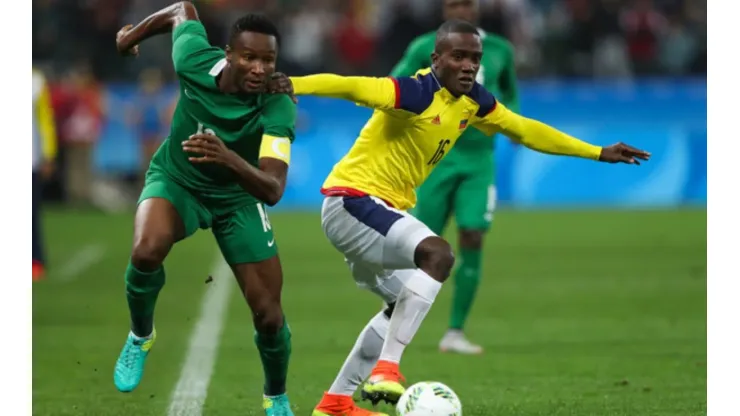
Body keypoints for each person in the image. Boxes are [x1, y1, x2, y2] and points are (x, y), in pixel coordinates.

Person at [269, 19, 650, 416]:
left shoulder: (474, 102)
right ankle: (386, 369)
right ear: (437, 60)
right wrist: (296, 84)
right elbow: (351, 85)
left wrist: (596, 152)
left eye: (475, 58)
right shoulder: (413, 92)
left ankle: (335, 403)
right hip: (352, 200)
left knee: (399, 304)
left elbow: (524, 130)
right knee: (438, 254)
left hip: (373, 212)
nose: (469, 65)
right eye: (459, 57)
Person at [113, 2, 296, 415]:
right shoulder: (194, 59)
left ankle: (276, 395)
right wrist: (131, 37)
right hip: (178, 180)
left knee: (268, 314)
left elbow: (272, 188)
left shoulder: (278, 105)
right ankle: (140, 335)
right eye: (249, 57)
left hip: (239, 199)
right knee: (146, 249)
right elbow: (182, 9)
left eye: (268, 60)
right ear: (228, 54)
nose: (259, 68)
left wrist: (227, 157)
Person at [390, 0, 519, 355]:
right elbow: (394, 85)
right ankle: (394, 324)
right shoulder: (423, 47)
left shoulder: (499, 49)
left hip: (479, 161)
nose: (460, 8)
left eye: (466, 3)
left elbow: (510, 92)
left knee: (473, 234)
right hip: (435, 159)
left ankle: (455, 332)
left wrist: (507, 123)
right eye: (452, 3)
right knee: (417, 246)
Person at [32, 67, 58, 282]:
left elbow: (45, 121)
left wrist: (48, 154)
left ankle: (35, 260)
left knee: (31, 213)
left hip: (31, 159)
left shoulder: (36, 81)